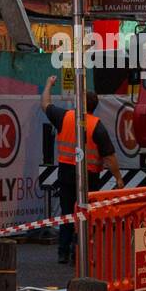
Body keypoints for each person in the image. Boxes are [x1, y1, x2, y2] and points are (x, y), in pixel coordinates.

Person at [42, 76, 125, 266]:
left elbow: (45, 104)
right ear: (95, 106)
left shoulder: (65, 117)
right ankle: (78, 252)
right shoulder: (97, 126)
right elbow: (109, 157)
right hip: (88, 177)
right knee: (85, 215)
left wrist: (49, 84)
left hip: (66, 172)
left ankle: (63, 252)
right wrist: (118, 179)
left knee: (67, 213)